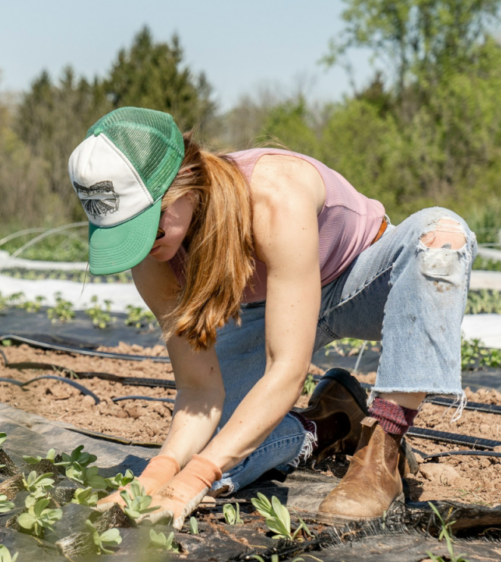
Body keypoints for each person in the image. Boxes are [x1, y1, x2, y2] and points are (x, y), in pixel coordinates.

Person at [69, 107, 476, 528]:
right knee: (219, 447)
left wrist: (196, 477)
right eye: (123, 234)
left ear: (185, 183)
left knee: (441, 236)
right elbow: (199, 391)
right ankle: (326, 424)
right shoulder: (153, 259)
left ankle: (383, 448)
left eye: (148, 227)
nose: (144, 247)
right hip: (271, 310)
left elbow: (287, 369)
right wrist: (159, 474)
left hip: (362, 282)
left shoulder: (272, 194)